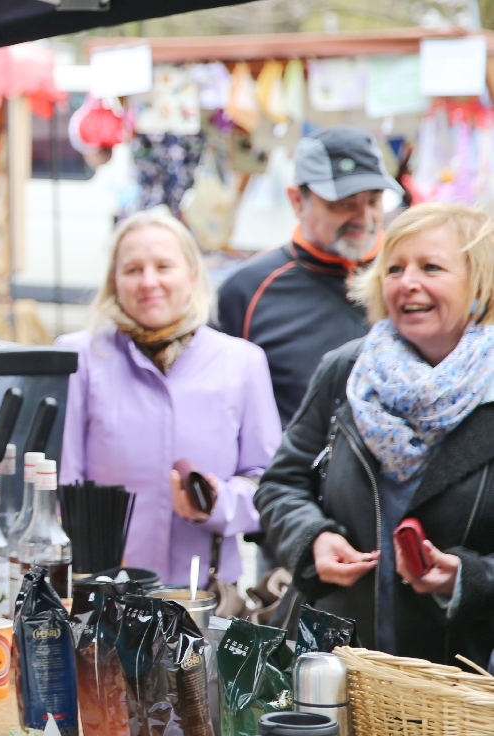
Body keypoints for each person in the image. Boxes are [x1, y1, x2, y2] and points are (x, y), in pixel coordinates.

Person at [255, 203, 494, 666]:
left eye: (431, 267)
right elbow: (280, 485)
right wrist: (313, 538)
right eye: (395, 267)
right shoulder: (345, 370)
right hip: (335, 662)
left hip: (459, 677)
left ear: (479, 284)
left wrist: (468, 577)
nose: (407, 282)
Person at [58, 209, 282, 587]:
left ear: (193, 275)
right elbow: (63, 483)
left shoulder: (241, 362)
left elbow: (270, 487)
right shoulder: (80, 359)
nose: (149, 282)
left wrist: (216, 503)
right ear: (114, 281)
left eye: (164, 266)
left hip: (202, 596)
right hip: (105, 590)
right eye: (132, 270)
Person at [218, 126, 404, 426]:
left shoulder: (410, 278)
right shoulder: (247, 291)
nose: (363, 218)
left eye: (373, 200)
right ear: (297, 201)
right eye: (343, 203)